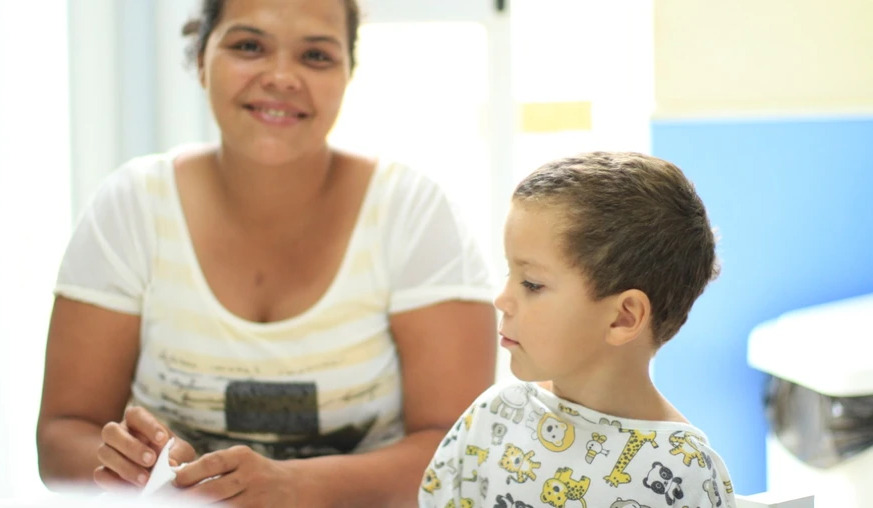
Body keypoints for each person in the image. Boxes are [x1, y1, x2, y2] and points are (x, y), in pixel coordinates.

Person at [36, 0, 497, 506]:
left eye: (316, 56)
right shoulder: (132, 206)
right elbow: (63, 435)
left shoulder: (413, 212)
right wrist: (137, 469)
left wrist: (294, 486)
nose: (281, 77)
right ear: (200, 59)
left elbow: (459, 451)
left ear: (348, 73)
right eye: (249, 46)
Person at [419, 152, 737, 508]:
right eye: (510, 274)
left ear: (623, 318)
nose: (502, 299)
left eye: (532, 284)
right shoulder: (494, 417)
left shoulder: (683, 471)